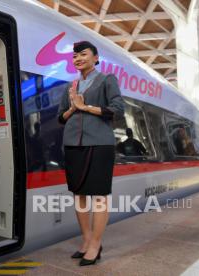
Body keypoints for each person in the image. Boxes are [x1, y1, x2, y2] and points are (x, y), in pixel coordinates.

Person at [57, 41, 124, 266]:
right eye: (75, 56)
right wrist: (73, 108)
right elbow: (60, 117)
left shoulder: (107, 80)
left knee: (99, 196)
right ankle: (87, 240)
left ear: (96, 58)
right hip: (73, 144)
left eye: (83, 54)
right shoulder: (71, 86)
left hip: (100, 144)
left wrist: (86, 107)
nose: (78, 58)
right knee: (79, 194)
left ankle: (96, 244)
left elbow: (117, 109)